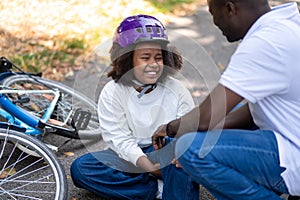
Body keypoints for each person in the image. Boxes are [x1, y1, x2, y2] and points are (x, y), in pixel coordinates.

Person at [152, 0, 300, 199]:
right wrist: (205, 132)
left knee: (192, 149)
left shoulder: (264, 42)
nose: (214, 22)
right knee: (232, 111)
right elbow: (253, 111)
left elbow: (206, 117)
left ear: (230, 8)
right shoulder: (288, 24)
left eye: (213, 13)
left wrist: (171, 128)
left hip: (295, 156)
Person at [70, 14, 199, 200]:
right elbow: (120, 139)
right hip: (131, 157)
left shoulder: (177, 90)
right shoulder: (112, 92)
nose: (153, 64)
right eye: (145, 57)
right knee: (83, 168)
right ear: (127, 59)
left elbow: (188, 131)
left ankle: (174, 188)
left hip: (167, 154)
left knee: (181, 152)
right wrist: (149, 167)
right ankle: (156, 189)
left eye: (158, 57)